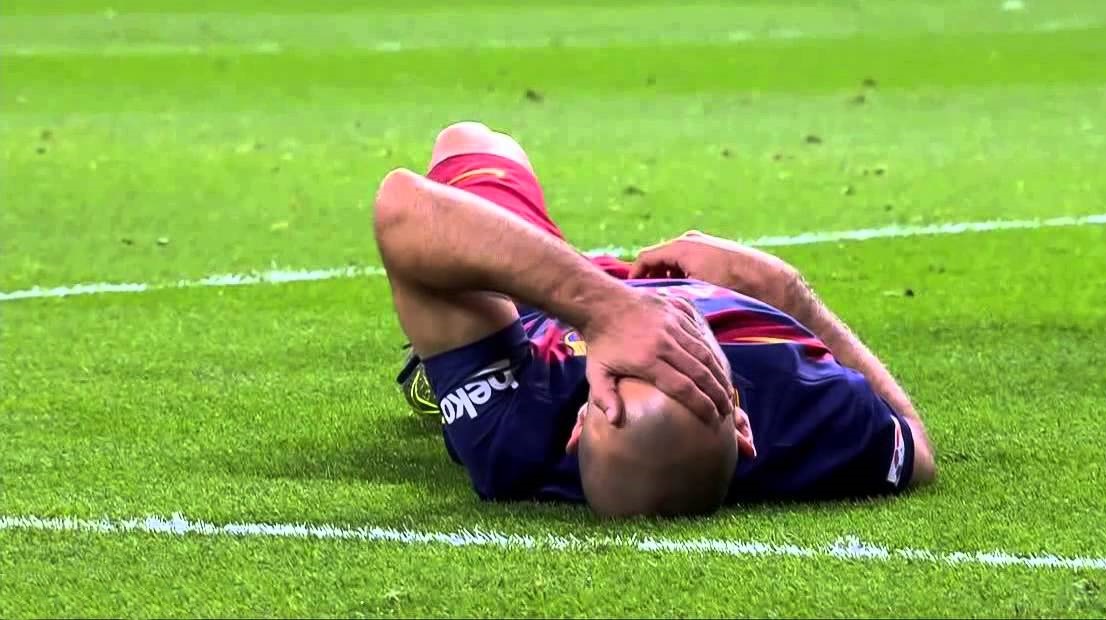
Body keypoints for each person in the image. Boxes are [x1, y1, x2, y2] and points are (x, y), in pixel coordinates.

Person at [377, 121, 936, 517]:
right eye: (691, 372)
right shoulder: (810, 418)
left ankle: (438, 359)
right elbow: (916, 447)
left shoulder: (515, 435)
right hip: (644, 294)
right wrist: (786, 292)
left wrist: (609, 312)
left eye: (624, 372)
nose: (660, 350)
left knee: (468, 142)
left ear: (577, 427)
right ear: (743, 428)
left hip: (552, 295)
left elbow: (404, 208)